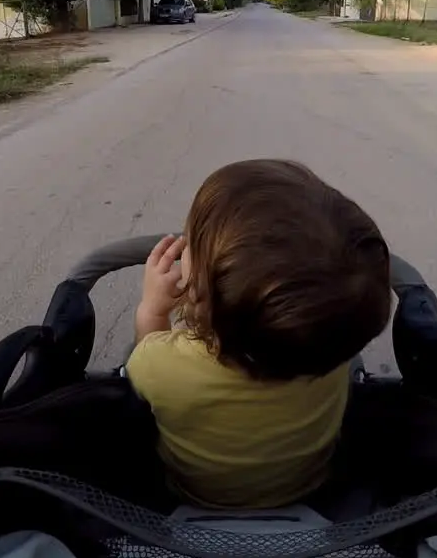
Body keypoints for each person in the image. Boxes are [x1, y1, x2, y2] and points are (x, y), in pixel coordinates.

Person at [124, 158, 392, 509]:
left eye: (194, 245)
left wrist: (154, 310)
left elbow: (148, 353)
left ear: (206, 298)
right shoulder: (328, 351)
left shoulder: (160, 364)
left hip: (193, 498)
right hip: (305, 493)